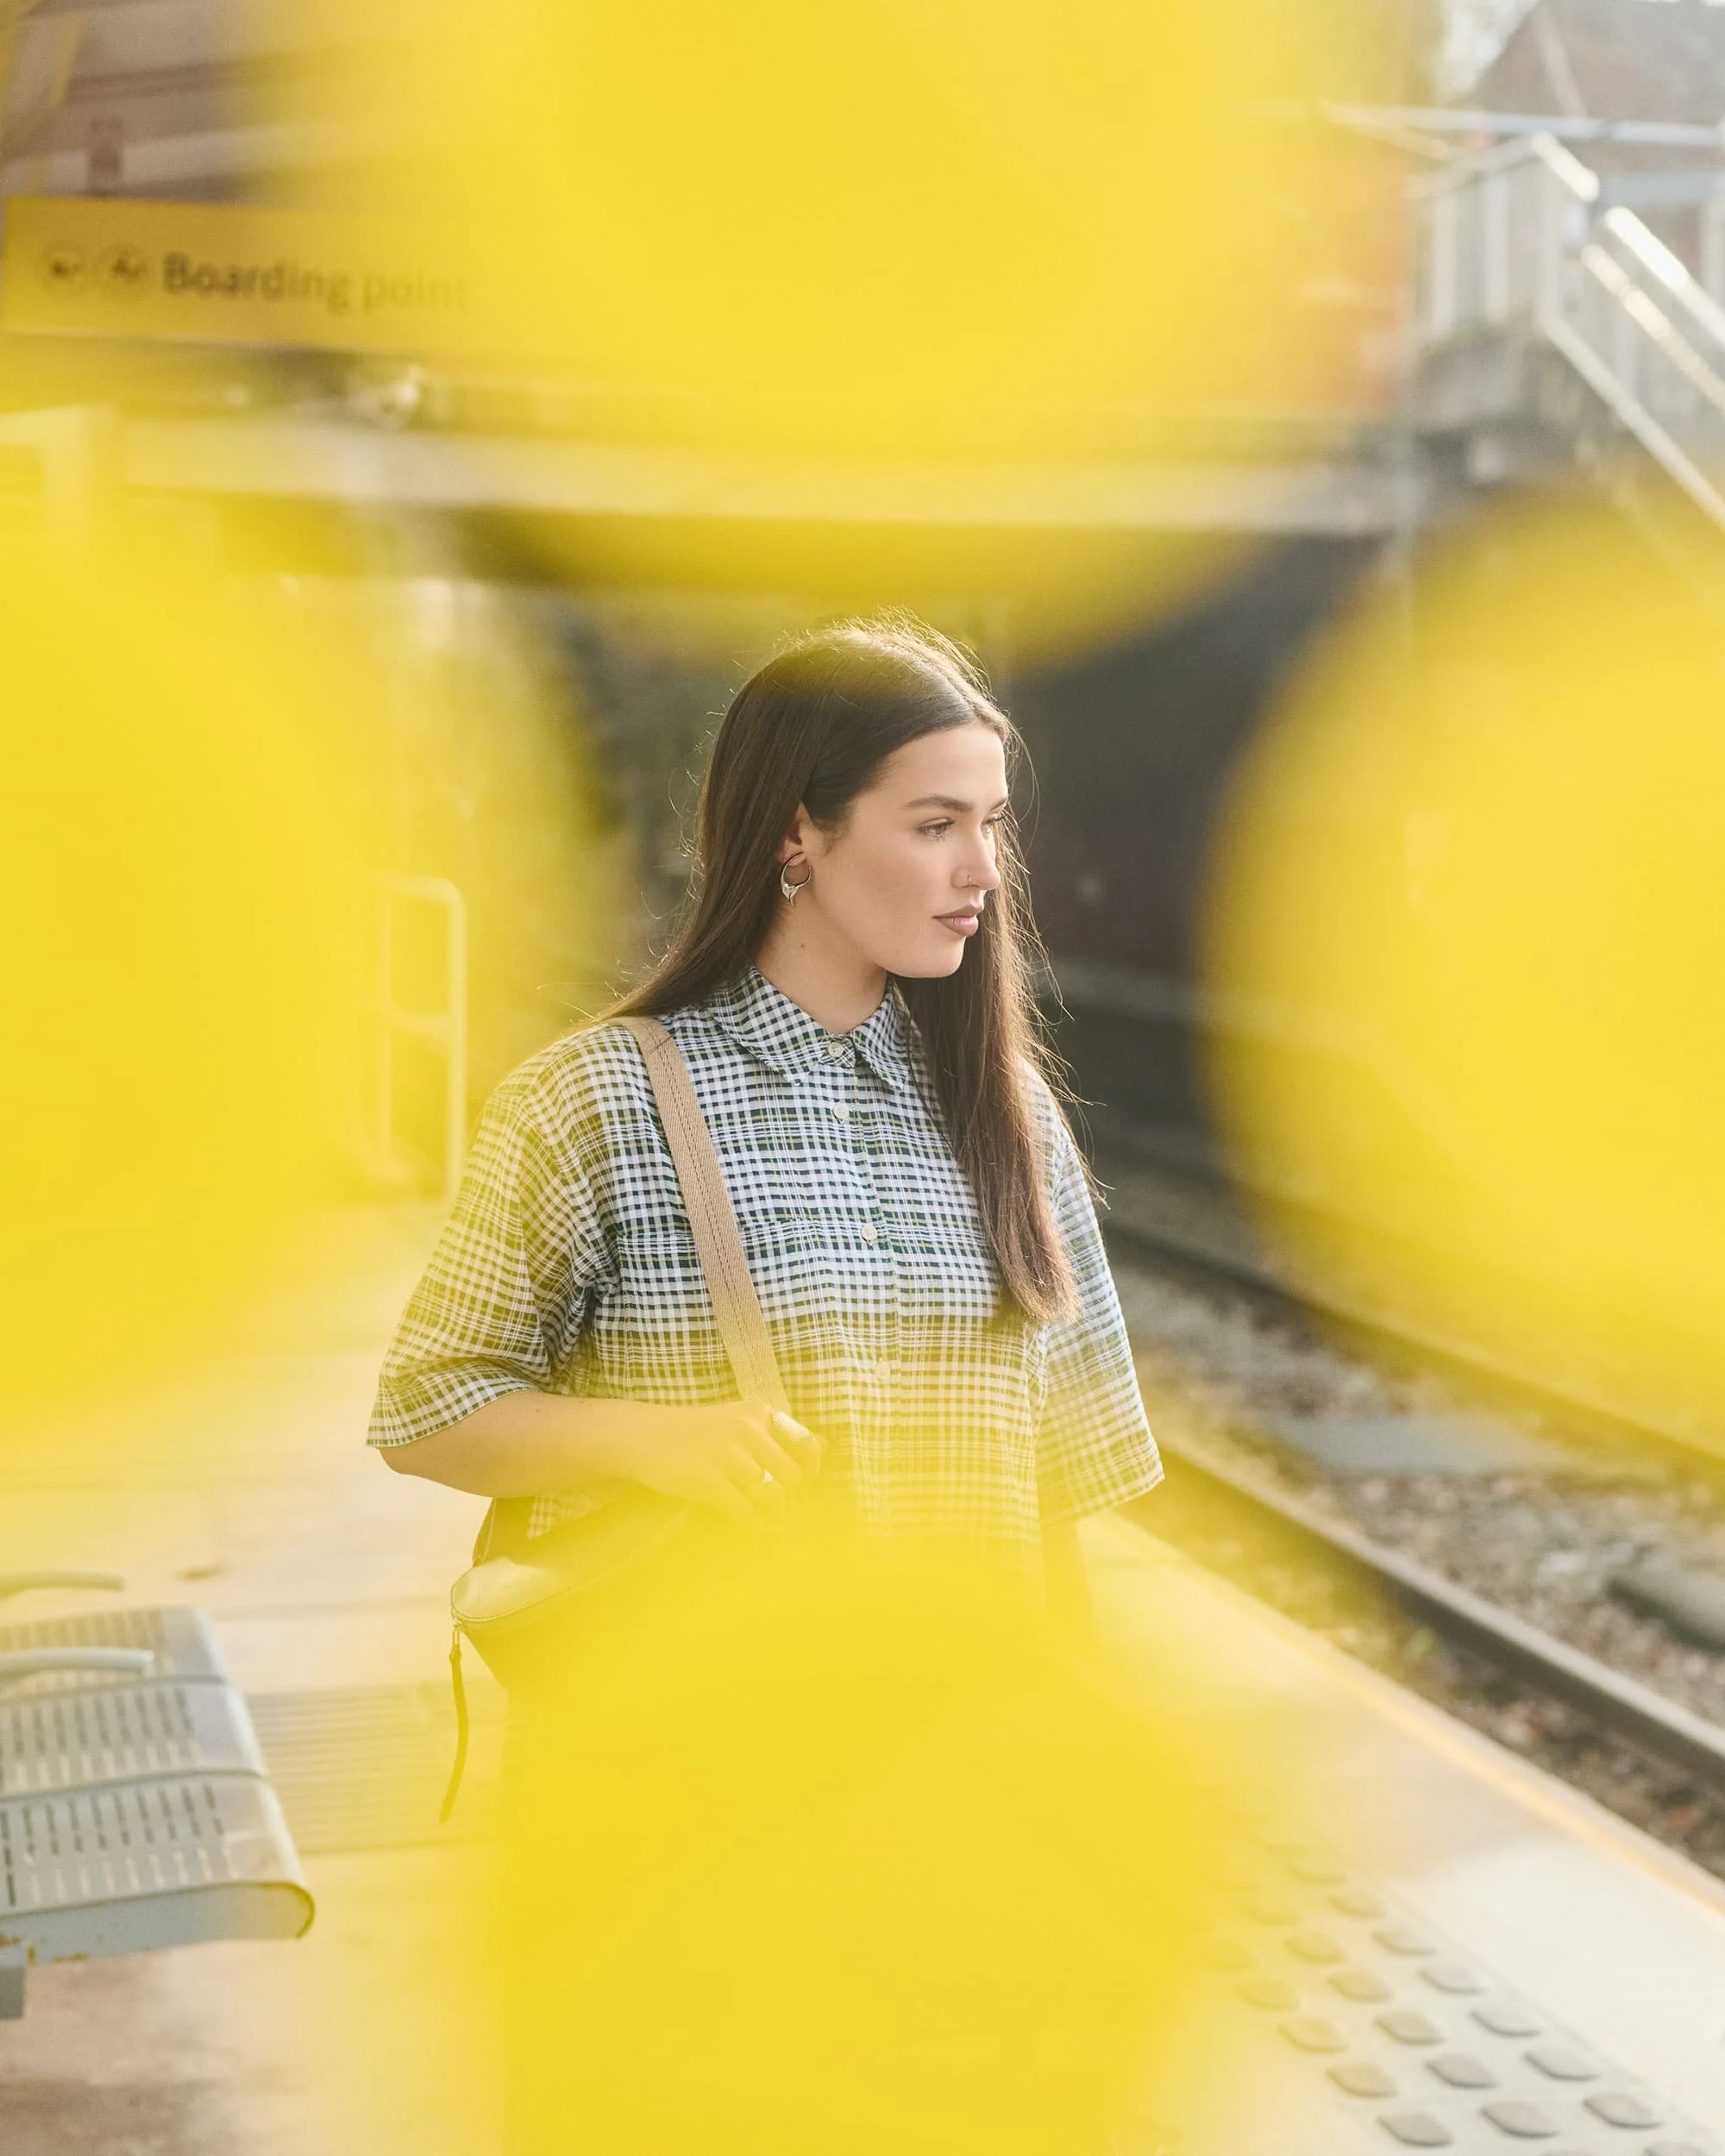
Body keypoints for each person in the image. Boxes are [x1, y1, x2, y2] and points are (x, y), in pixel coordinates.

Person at [368, 616, 1161, 1602]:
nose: (983, 871)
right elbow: (422, 1409)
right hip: (694, 1731)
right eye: (933, 825)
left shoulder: (1009, 1110)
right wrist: (649, 1439)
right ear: (796, 832)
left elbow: (1059, 1502)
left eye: (990, 822)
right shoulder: (593, 1101)